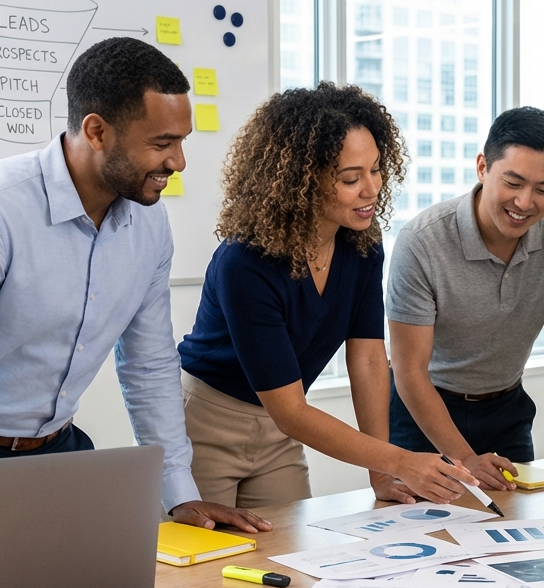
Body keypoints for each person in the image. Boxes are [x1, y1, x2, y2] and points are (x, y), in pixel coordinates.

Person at [0, 37, 268, 563]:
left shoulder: (149, 225)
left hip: (54, 452)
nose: (179, 161)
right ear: (96, 131)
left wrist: (180, 495)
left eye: (182, 141)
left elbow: (148, 366)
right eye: (162, 142)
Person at [177, 83, 479, 509]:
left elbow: (370, 360)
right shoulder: (244, 263)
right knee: (205, 567)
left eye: (376, 170)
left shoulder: (362, 247)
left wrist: (383, 473)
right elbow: (291, 410)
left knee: (288, 557)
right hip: (205, 425)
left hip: (280, 433)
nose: (371, 189)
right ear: (300, 181)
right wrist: (402, 460)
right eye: (350, 178)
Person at [386, 107, 544, 491]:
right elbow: (409, 370)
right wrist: (464, 459)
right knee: (427, 534)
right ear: (483, 167)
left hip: (507, 408)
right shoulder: (422, 241)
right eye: (513, 183)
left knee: (515, 532)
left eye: (543, 189)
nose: (525, 202)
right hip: (424, 410)